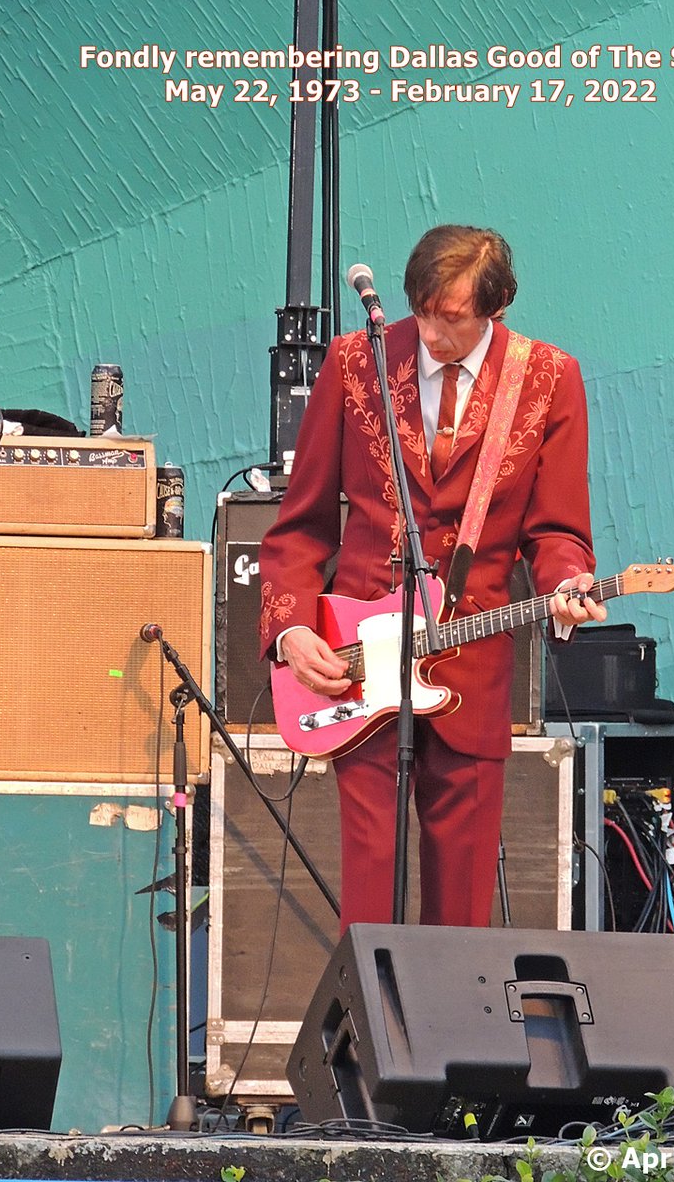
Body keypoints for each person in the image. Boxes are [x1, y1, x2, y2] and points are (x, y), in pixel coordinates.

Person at [259, 224, 605, 933]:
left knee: (462, 916)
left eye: (450, 319)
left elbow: (559, 532)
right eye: (422, 313)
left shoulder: (547, 379)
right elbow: (299, 527)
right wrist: (292, 627)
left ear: (496, 307)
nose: (432, 334)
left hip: (472, 667)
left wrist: (570, 585)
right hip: (360, 662)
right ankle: (364, 1042)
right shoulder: (356, 362)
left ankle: (456, 1041)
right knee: (370, 903)